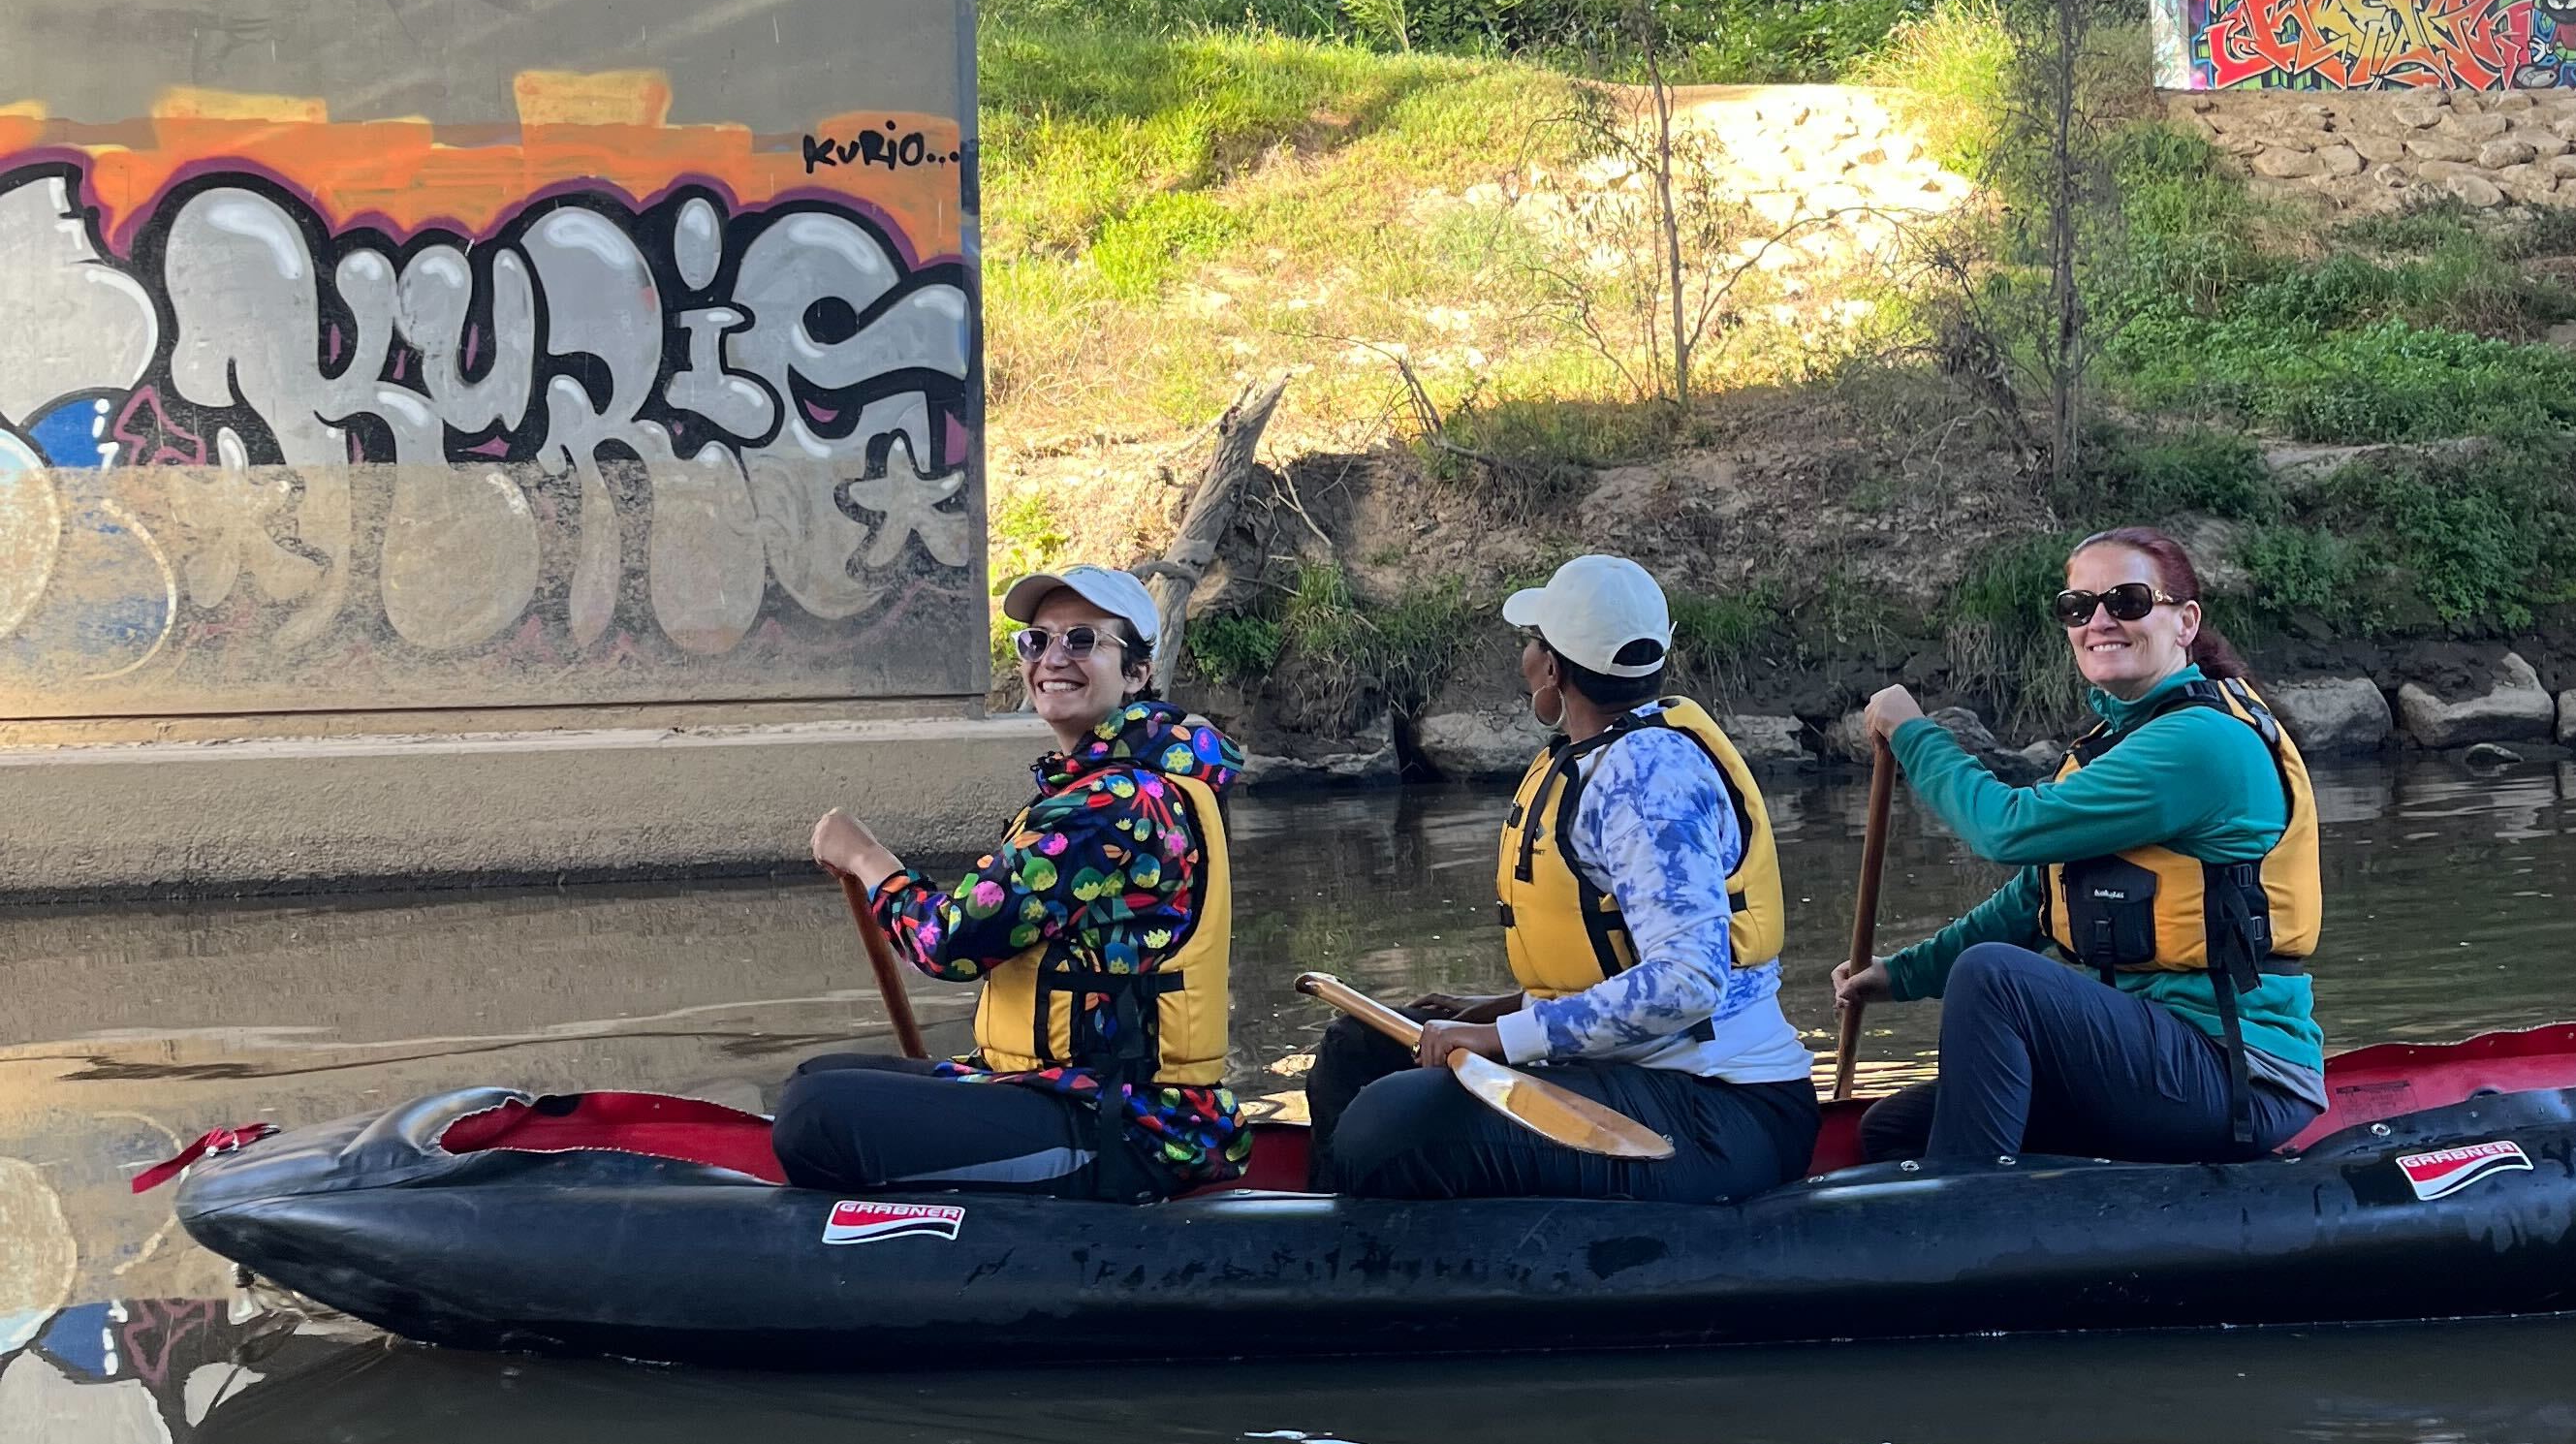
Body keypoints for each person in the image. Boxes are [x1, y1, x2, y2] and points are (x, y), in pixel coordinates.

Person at [1311, 554, 1820, 1203]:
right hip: (1643, 1078)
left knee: (1388, 1122)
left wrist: (1502, 1038)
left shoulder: (1645, 779)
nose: (1524, 658)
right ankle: (1329, 1241)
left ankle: (1354, 1262)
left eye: (1532, 643)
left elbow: (1689, 979)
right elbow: (1614, 960)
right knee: (1360, 1046)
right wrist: (1502, 1009)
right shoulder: (1607, 757)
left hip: (1722, 1113)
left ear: (1552, 669)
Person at [1832, 525, 2324, 1171]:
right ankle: (2043, 1209)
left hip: (2234, 1074)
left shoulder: (2202, 744)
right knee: (1893, 1132)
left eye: (2127, 601)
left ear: (2184, 622)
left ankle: (1962, 1219)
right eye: (2078, 607)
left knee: (1994, 977)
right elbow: (2036, 899)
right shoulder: (2119, 739)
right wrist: (1901, 975)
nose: (2099, 621)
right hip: (2154, 1064)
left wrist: (1912, 733)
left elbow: (2005, 830)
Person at [773, 563, 1246, 1200]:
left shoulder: (1116, 803)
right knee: (821, 1076)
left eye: (1083, 640)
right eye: (1037, 640)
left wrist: (867, 858)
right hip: (1064, 1091)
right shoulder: (1131, 782)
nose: (1054, 657)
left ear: (1137, 671)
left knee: (816, 1114)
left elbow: (952, 941)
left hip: (1127, 1127)